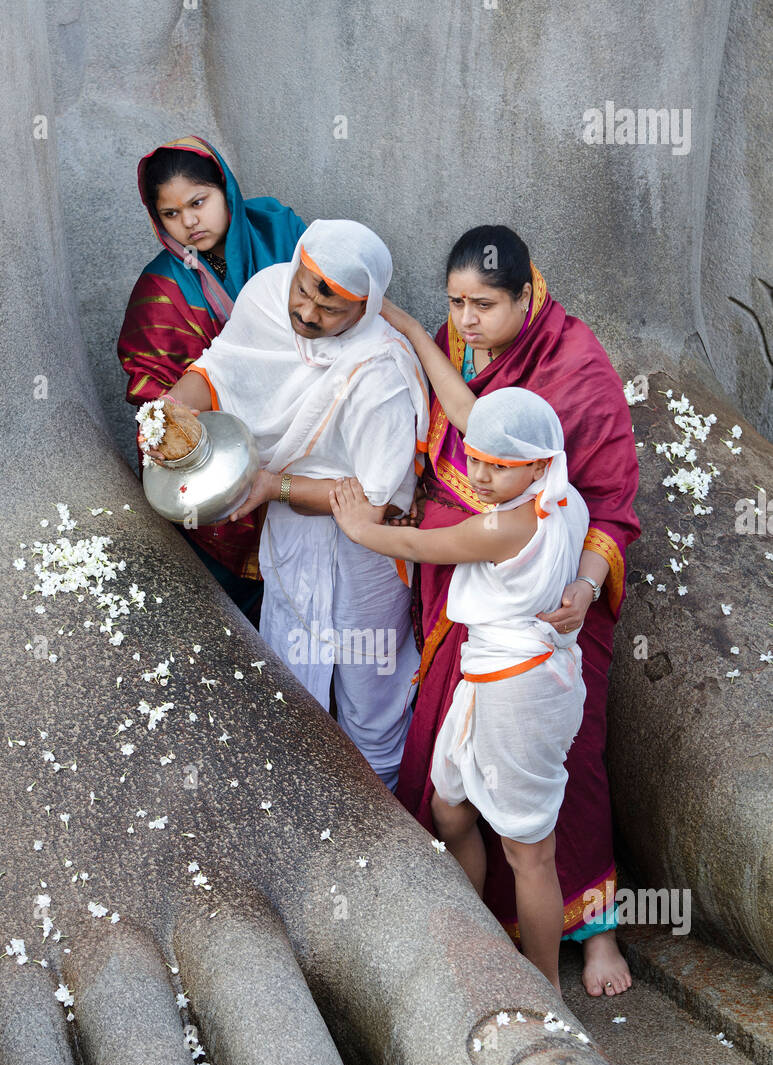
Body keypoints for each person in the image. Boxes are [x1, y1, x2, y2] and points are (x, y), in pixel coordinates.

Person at [382, 225, 640, 998]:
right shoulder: (453, 348)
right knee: (451, 774)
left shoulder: (576, 366)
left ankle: (594, 931)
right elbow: (452, 422)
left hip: (555, 611)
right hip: (468, 611)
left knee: (573, 770)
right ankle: (489, 933)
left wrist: (586, 586)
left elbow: (613, 507)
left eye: (484, 305)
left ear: (528, 295)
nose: (466, 321)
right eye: (455, 302)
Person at [143, 219, 429, 791]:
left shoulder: (381, 374)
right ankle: (296, 811)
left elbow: (372, 500)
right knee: (289, 669)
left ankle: (384, 837)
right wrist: (171, 408)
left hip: (366, 553)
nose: (307, 311)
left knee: (369, 696)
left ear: (366, 309)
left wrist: (276, 488)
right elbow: (222, 367)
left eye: (331, 306)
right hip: (292, 535)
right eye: (305, 287)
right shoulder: (270, 294)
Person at [331, 388, 587, 993]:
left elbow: (425, 546)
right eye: (475, 460)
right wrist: (588, 584)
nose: (481, 475)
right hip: (497, 678)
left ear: (540, 462)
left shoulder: (512, 522)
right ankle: (480, 943)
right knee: (449, 808)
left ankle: (545, 987)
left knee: (530, 852)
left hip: (517, 690)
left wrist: (357, 527)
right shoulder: (565, 499)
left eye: (499, 466)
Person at [118, 135, 305, 617]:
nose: (189, 222)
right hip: (225, 447)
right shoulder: (160, 288)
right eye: (171, 214)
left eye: (198, 202)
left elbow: (336, 310)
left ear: (225, 188)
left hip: (311, 422)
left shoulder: (281, 234)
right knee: (249, 607)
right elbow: (153, 387)